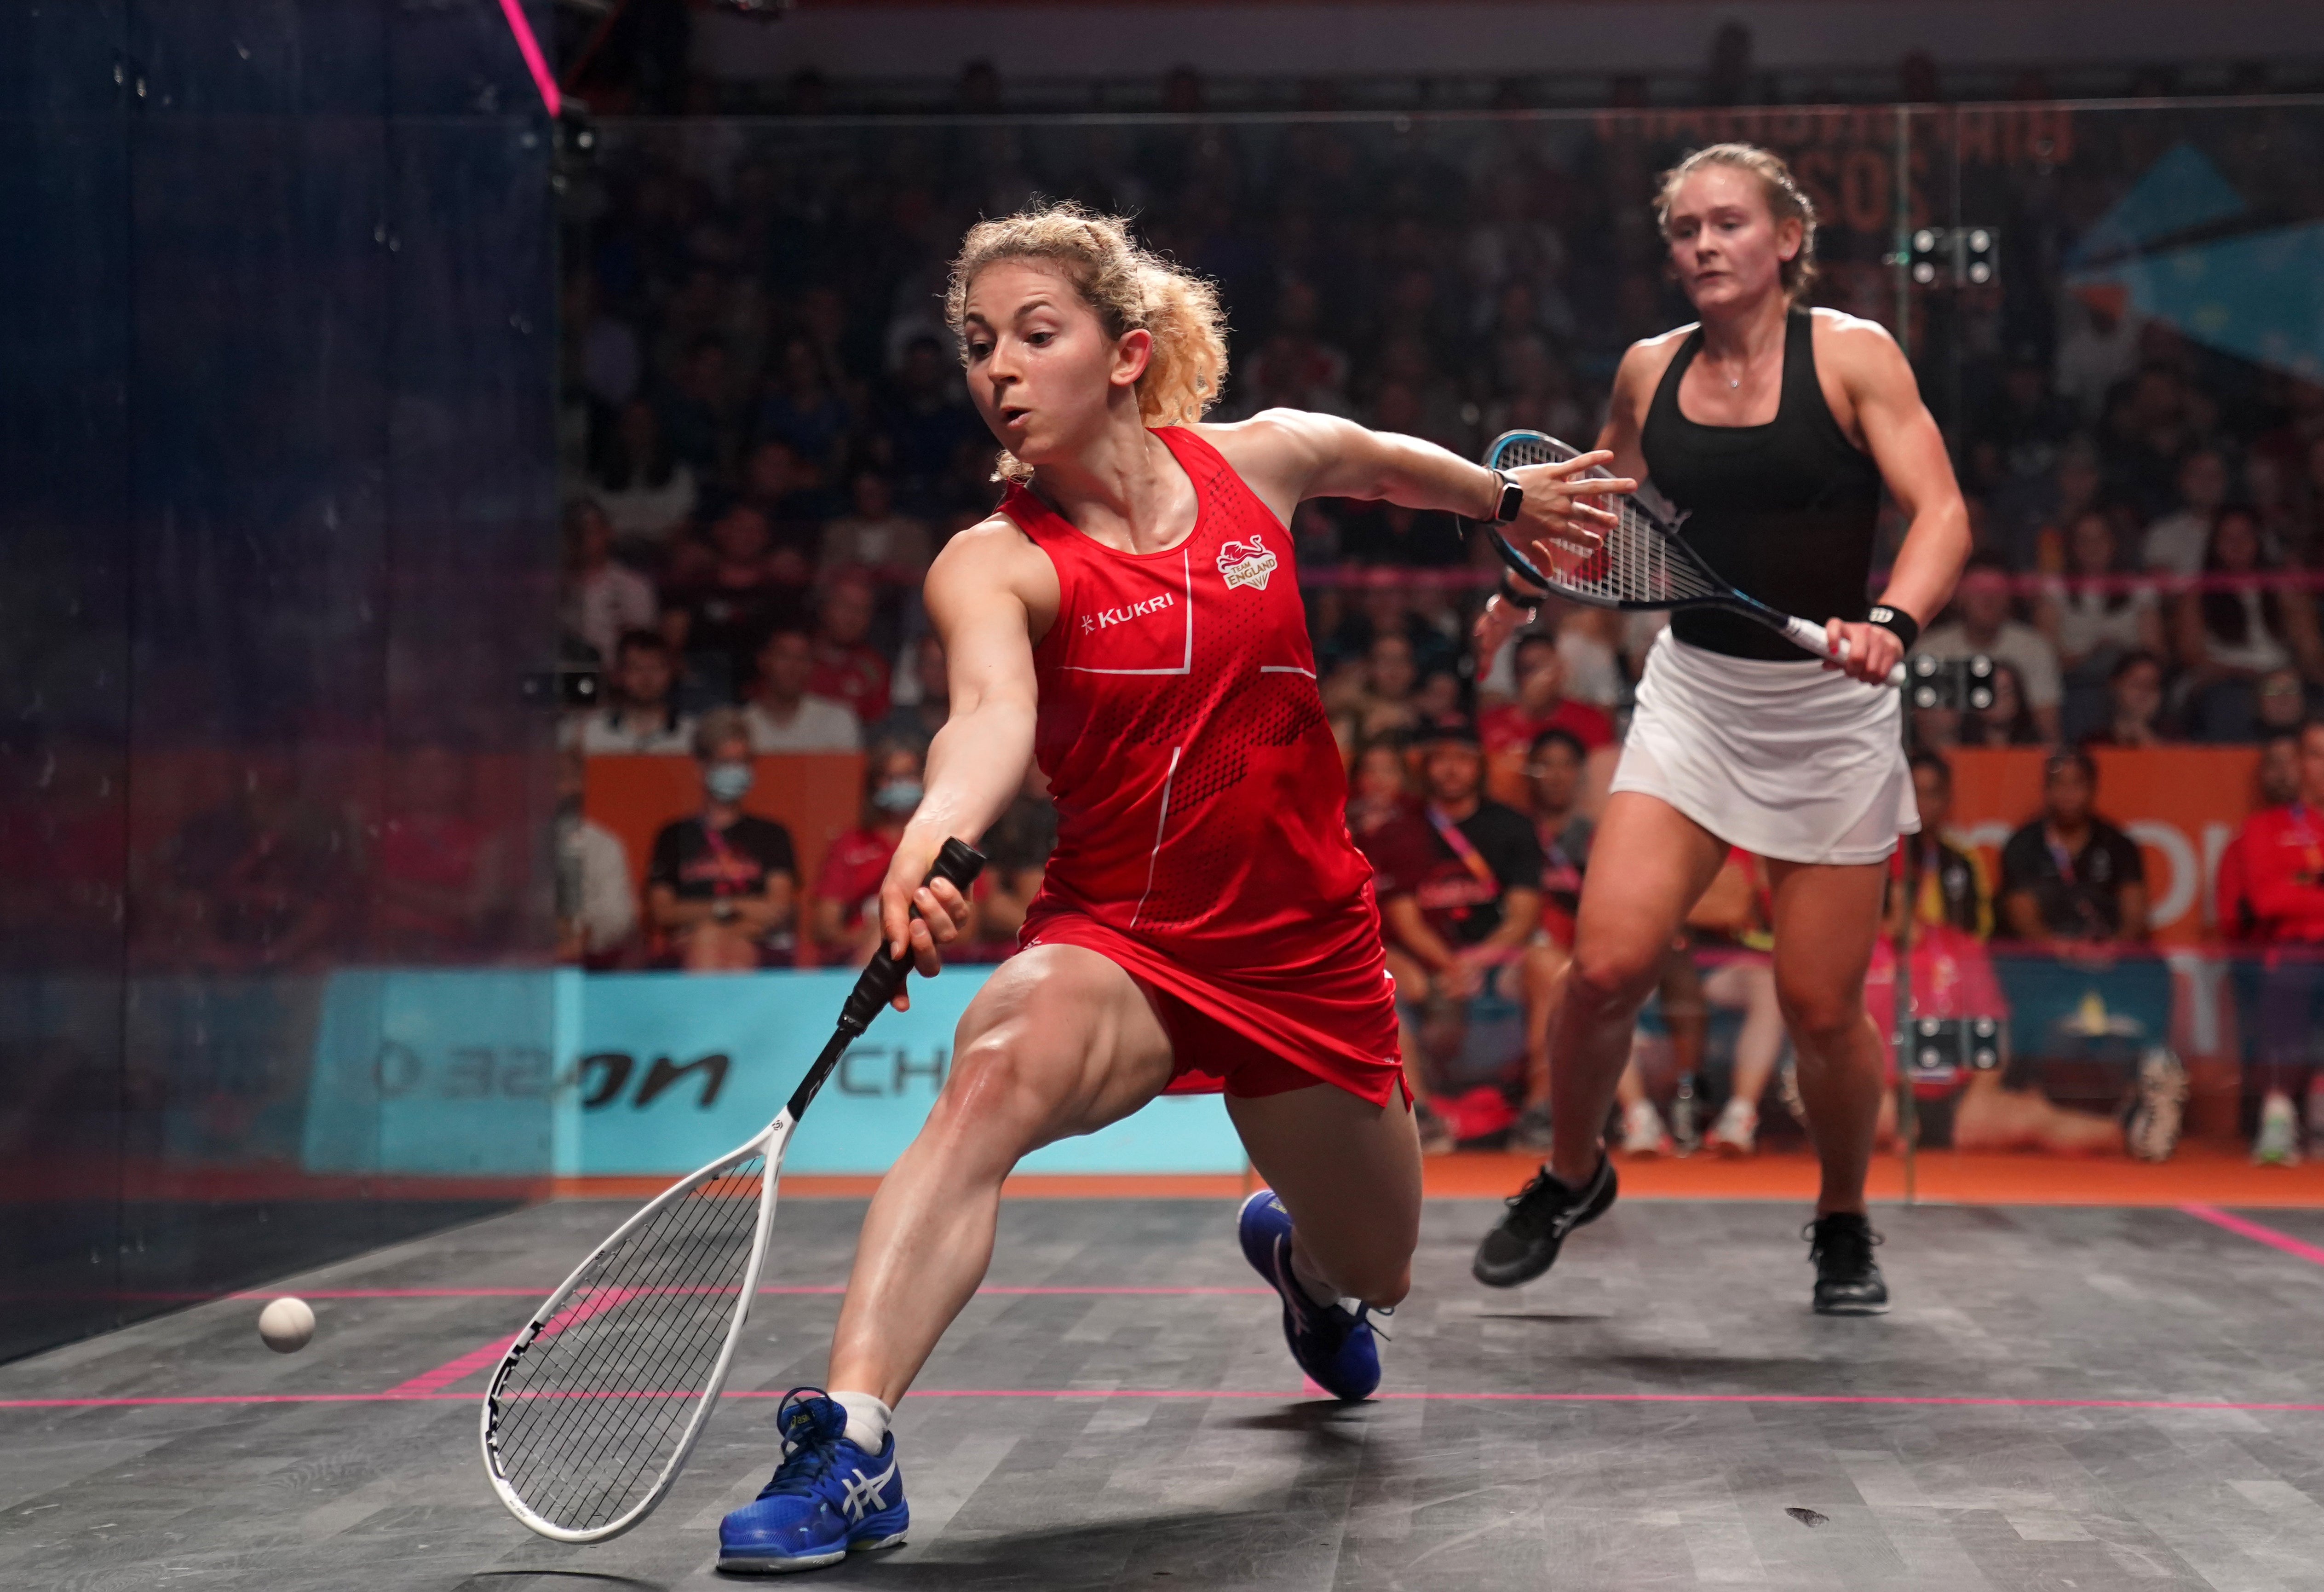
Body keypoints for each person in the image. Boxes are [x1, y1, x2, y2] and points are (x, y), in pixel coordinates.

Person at [713, 200, 1624, 1573]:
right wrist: (935, 835)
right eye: (976, 347)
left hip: (1308, 945)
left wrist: (1505, 498)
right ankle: (853, 1441)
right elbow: (986, 718)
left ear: (1125, 353)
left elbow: (1380, 461)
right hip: (1121, 939)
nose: (997, 372)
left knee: (1378, 1266)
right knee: (991, 1074)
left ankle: (1305, 1270)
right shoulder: (995, 560)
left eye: (1034, 334)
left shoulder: (1263, 460)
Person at [1467, 144, 1970, 1315]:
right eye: (1684, 228)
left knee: (1816, 1008)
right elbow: (1595, 506)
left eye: (1728, 223)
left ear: (1784, 238)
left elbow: (1939, 508)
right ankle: (1570, 1172)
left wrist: (1892, 618)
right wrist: (1515, 593)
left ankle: (1841, 1218)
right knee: (1601, 969)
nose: (1701, 244)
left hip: (1832, 717)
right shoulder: (1647, 370)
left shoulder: (1850, 356)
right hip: (1696, 699)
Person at [1992, 748, 2180, 1142]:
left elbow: (2134, 911)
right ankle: (2020, 1085)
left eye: (2077, 785)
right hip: (2049, 962)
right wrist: (2058, 947)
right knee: (2018, 971)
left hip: (2108, 960)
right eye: (2058, 784)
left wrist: (2116, 946)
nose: (2068, 794)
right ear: (2046, 791)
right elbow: (2021, 914)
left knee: (2154, 970)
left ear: (2092, 789)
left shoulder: (2118, 844)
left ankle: (2151, 1076)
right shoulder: (2024, 845)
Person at [2228, 718, 2324, 1165]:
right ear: (2300, 764)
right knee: (2292, 969)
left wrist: (2306, 883)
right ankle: (2279, 1115)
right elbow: (2269, 900)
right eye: (2315, 755)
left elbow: (2293, 893)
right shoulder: (2263, 828)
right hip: (2293, 952)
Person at [645, 709, 799, 970]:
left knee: (722, 944)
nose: (735, 771)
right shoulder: (673, 836)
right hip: (691, 951)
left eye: (742, 763)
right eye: (726, 763)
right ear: (701, 767)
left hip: (751, 947)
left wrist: (713, 926)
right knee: (709, 942)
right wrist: (733, 909)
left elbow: (778, 910)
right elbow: (663, 912)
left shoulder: (772, 834)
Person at [809, 743, 934, 966]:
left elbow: (967, 929)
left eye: (908, 776)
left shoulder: (942, 842)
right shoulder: (849, 844)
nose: (900, 785)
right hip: (861, 953)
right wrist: (871, 937)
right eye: (890, 777)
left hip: (930, 949)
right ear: (874, 785)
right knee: (884, 942)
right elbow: (825, 925)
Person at [1921, 556, 2065, 744]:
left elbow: (2048, 735)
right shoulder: (1932, 651)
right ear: (1958, 596)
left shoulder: (2035, 649)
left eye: (1997, 591)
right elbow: (1930, 738)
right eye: (1978, 591)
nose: (1988, 600)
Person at [553, 747, 638, 967]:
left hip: (592, 965)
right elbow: (486, 913)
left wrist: (579, 930)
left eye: (566, 778)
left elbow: (618, 918)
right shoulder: (504, 848)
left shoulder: (605, 845)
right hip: (517, 967)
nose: (558, 788)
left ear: (582, 783)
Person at [574, 631, 697, 755]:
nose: (646, 678)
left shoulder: (692, 735)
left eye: (656, 668)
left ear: (671, 673)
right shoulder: (592, 733)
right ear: (619, 674)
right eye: (636, 668)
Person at [742, 627, 862, 753]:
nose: (793, 668)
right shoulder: (744, 726)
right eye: (784, 656)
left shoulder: (838, 721)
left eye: (802, 658)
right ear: (764, 661)